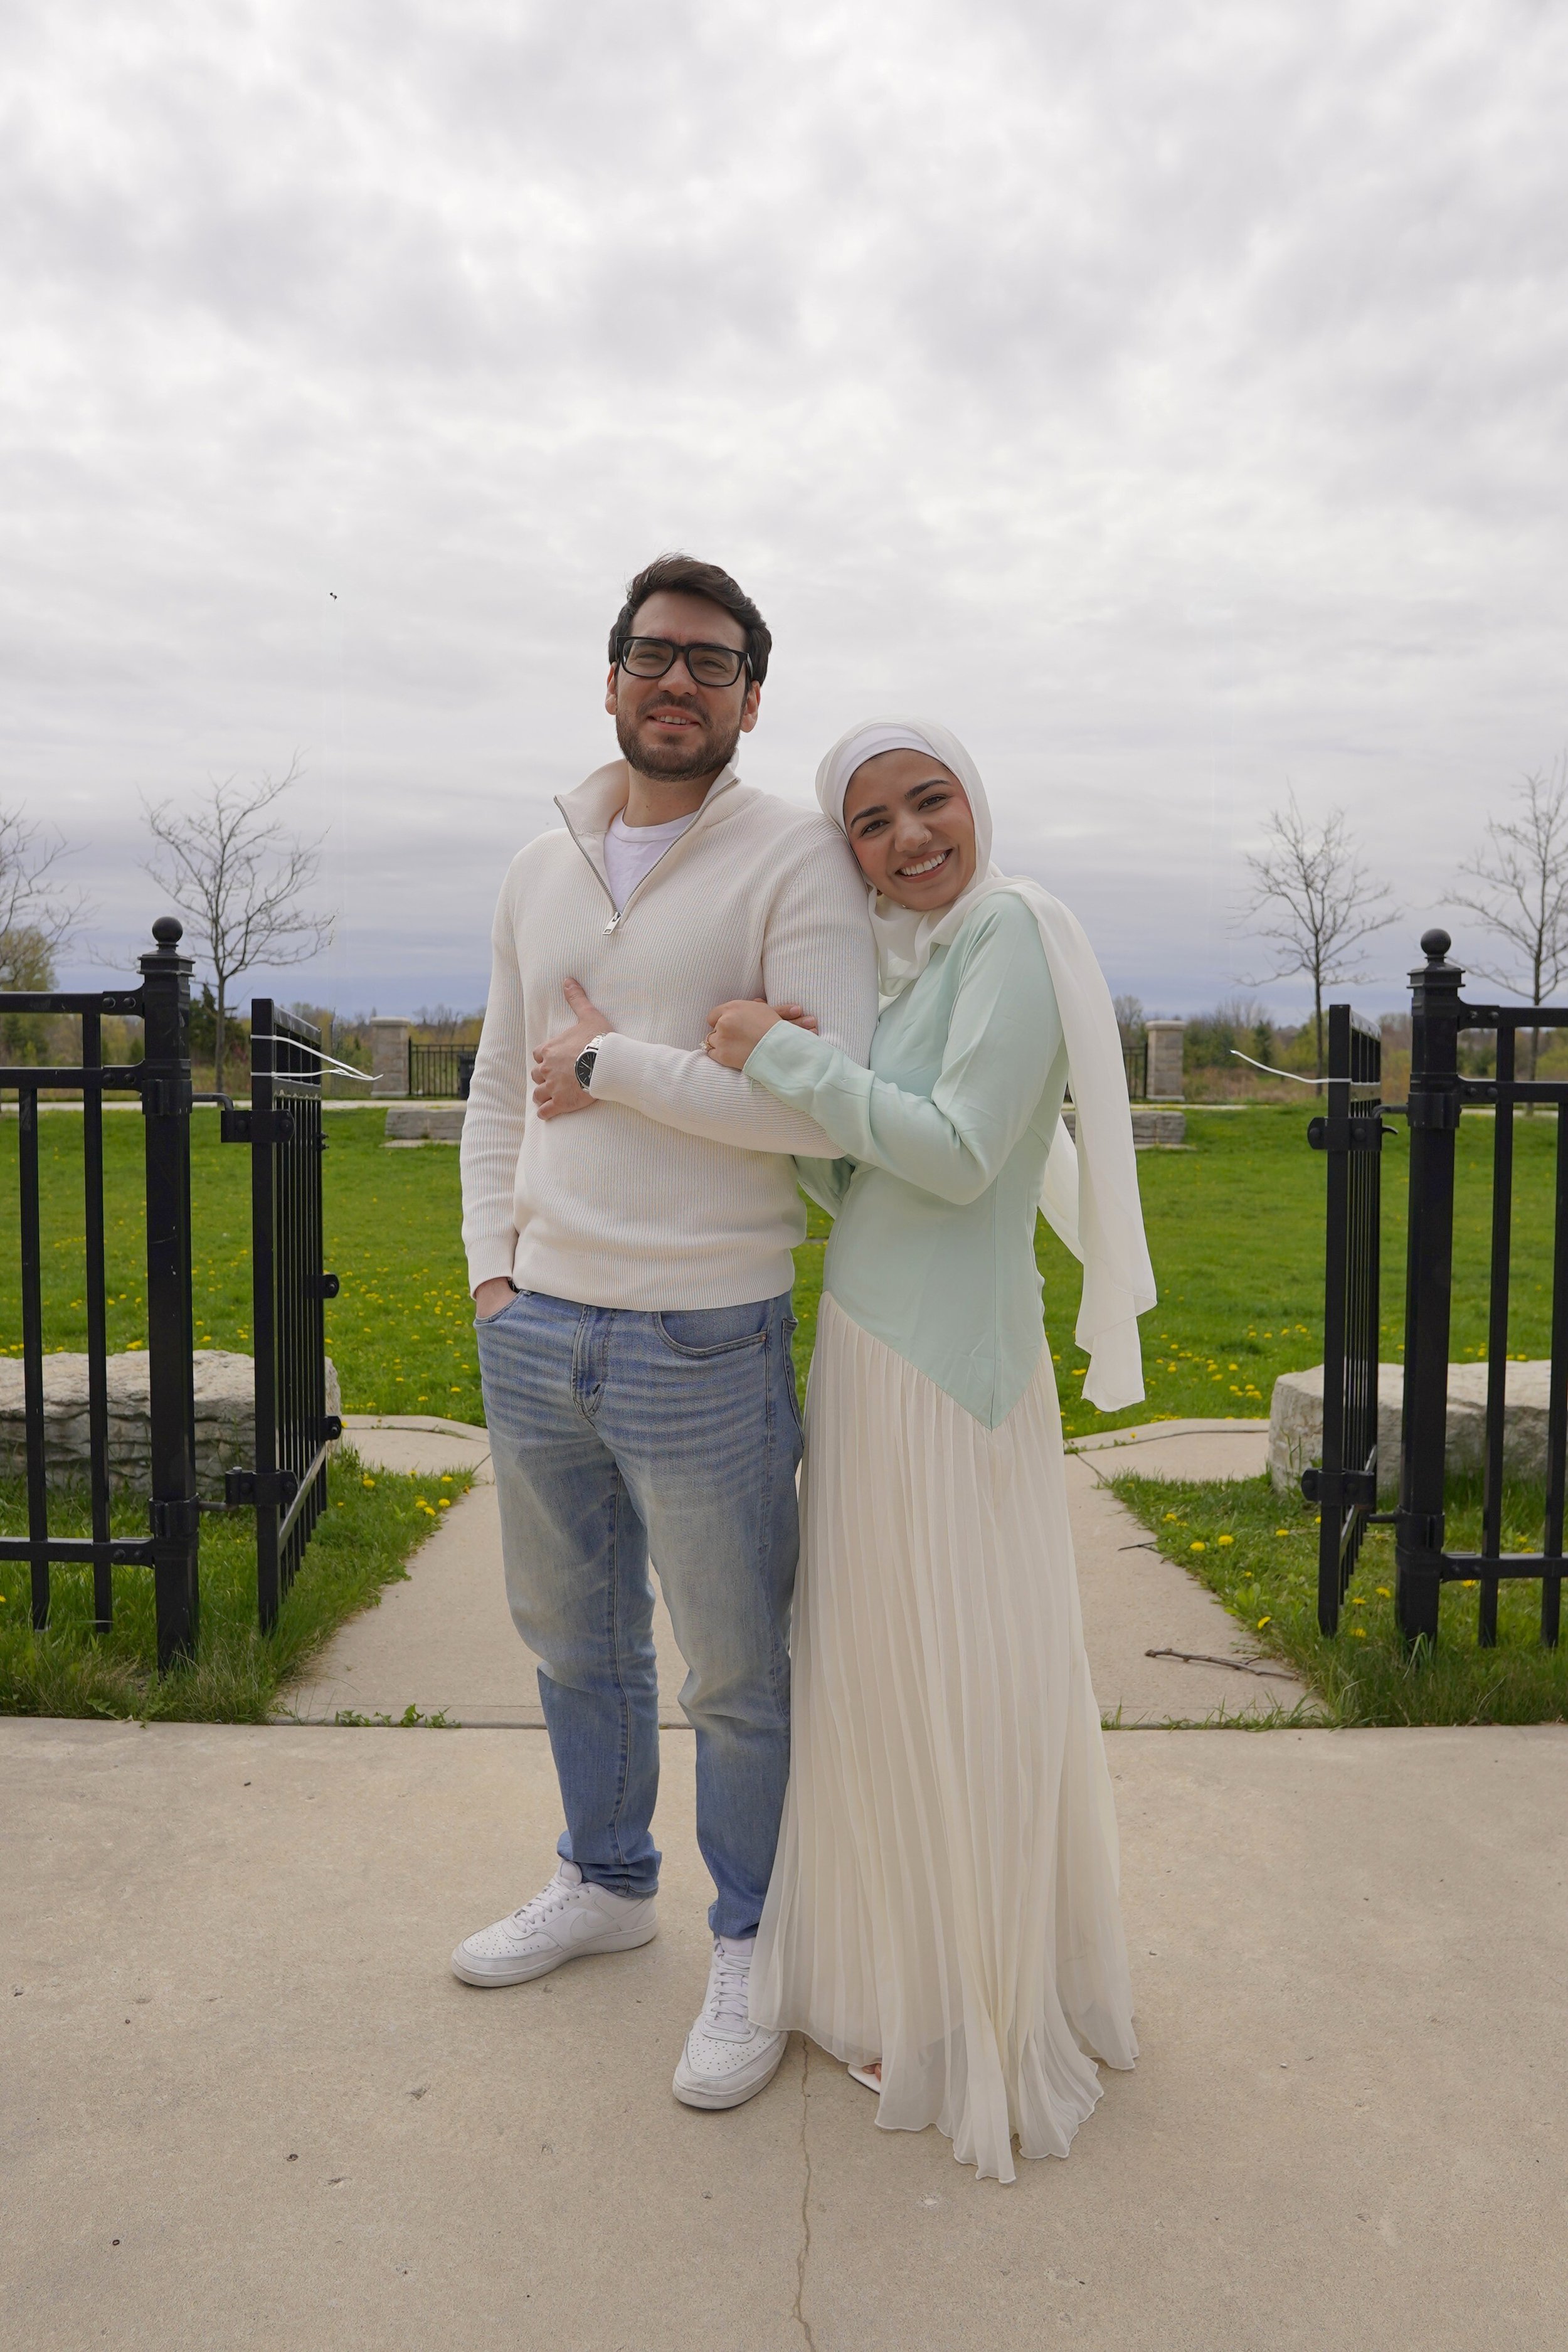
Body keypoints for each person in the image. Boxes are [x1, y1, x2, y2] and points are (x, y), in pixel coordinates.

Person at [694, 719, 1158, 2182]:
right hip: (871, 1359)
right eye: (870, 823)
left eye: (928, 801)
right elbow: (873, 1184)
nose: (906, 839)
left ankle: (974, 2004)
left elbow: (960, 1155)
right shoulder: (910, 965)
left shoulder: (1011, 929)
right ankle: (908, 1976)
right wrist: (797, 1087)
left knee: (962, 1671)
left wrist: (781, 1057)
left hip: (951, 1383)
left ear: (973, 803)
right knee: (885, 1670)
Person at [453, 555, 877, 2114]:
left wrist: (614, 1063)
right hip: (538, 1320)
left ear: (751, 699)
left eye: (710, 663)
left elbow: (807, 1119)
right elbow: (503, 1085)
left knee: (733, 1673)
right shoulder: (535, 862)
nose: (675, 683)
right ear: (612, 677)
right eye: (652, 656)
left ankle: (751, 1936)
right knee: (574, 1644)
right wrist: (491, 1275)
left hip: (705, 1334)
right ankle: (606, 1881)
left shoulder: (797, 864)